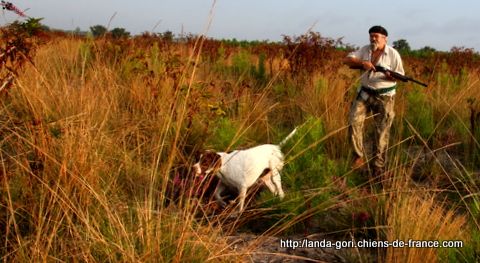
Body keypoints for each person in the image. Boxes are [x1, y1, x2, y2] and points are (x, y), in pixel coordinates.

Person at [344, 25, 405, 178]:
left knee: (382, 132)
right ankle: (358, 157)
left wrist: (390, 76)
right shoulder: (365, 50)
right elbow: (347, 60)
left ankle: (378, 167)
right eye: (371, 35)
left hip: (385, 96)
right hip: (364, 93)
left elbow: (400, 76)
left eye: (376, 36)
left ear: (385, 38)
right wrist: (362, 64)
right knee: (353, 122)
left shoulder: (393, 54)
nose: (373, 38)